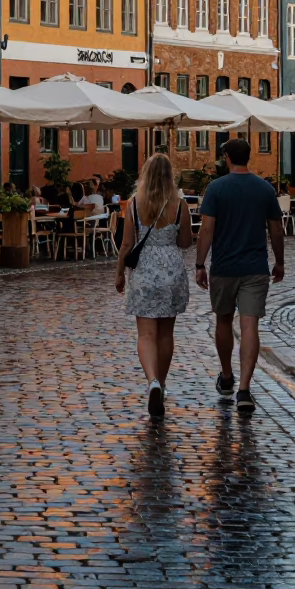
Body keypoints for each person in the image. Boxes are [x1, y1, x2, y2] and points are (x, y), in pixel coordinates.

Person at [195, 138, 284, 414]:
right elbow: (277, 229)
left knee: (223, 321)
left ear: (226, 157)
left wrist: (200, 263)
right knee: (250, 327)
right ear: (249, 157)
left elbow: (206, 230)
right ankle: (244, 389)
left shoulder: (216, 189)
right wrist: (279, 261)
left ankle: (226, 376)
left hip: (224, 267)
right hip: (255, 268)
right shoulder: (265, 189)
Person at [115, 153, 192, 418]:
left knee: (146, 334)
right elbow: (185, 242)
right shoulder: (180, 205)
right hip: (171, 269)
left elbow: (126, 244)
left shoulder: (134, 204)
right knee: (165, 334)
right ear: (171, 176)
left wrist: (119, 274)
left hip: (144, 270)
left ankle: (152, 382)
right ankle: (163, 380)